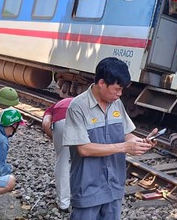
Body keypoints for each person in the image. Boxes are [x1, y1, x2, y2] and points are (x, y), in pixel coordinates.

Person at [63, 57, 158, 220]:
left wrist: (140, 142)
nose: (119, 94)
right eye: (116, 89)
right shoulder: (78, 107)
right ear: (101, 83)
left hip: (114, 184)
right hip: (88, 187)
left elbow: (126, 134)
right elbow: (83, 149)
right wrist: (125, 147)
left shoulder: (116, 104)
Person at [42, 97, 74, 211]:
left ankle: (63, 203)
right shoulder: (82, 101)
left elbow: (46, 124)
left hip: (62, 121)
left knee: (63, 160)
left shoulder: (52, 108)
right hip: (85, 119)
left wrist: (54, 137)